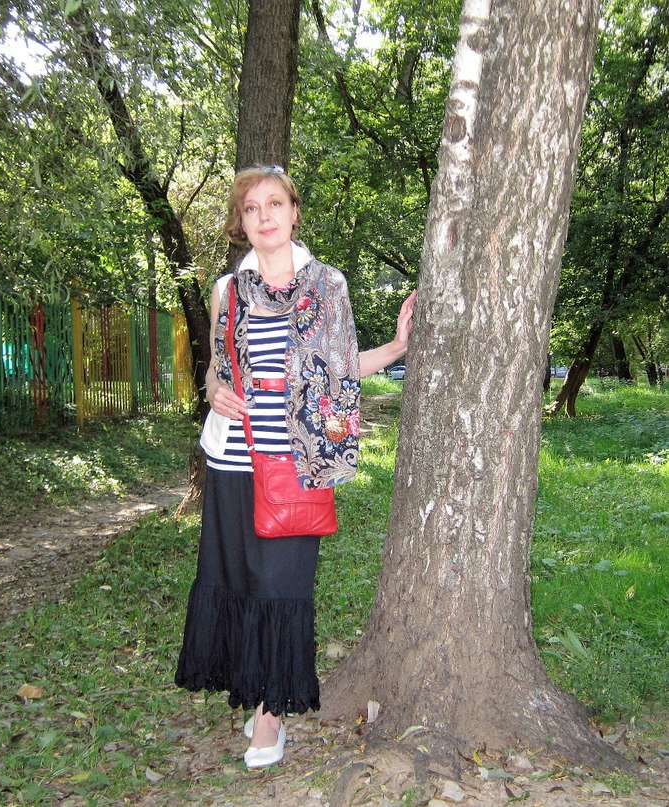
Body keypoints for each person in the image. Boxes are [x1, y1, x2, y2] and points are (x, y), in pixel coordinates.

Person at [175, 165, 415, 768]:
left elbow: (339, 369)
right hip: (232, 457)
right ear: (241, 222)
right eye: (252, 208)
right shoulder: (227, 290)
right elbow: (217, 367)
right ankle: (256, 691)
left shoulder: (327, 285)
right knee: (238, 581)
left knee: (280, 587)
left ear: (293, 211)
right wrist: (212, 389)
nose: (265, 216)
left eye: (274, 203)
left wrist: (395, 349)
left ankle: (270, 717)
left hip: (298, 461)